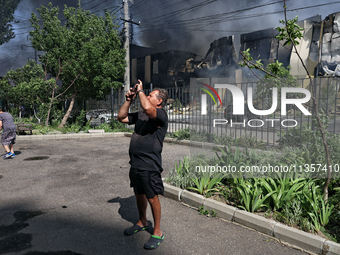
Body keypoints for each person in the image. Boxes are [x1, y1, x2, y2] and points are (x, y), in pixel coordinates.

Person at [117, 79, 168, 250]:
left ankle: (158, 232)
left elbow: (148, 107)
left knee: (152, 197)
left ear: (159, 100)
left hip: (149, 164)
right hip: (136, 163)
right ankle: (142, 221)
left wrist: (140, 91)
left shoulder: (160, 114)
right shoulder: (141, 114)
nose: (147, 96)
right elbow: (121, 117)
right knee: (139, 193)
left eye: (151, 95)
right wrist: (129, 100)